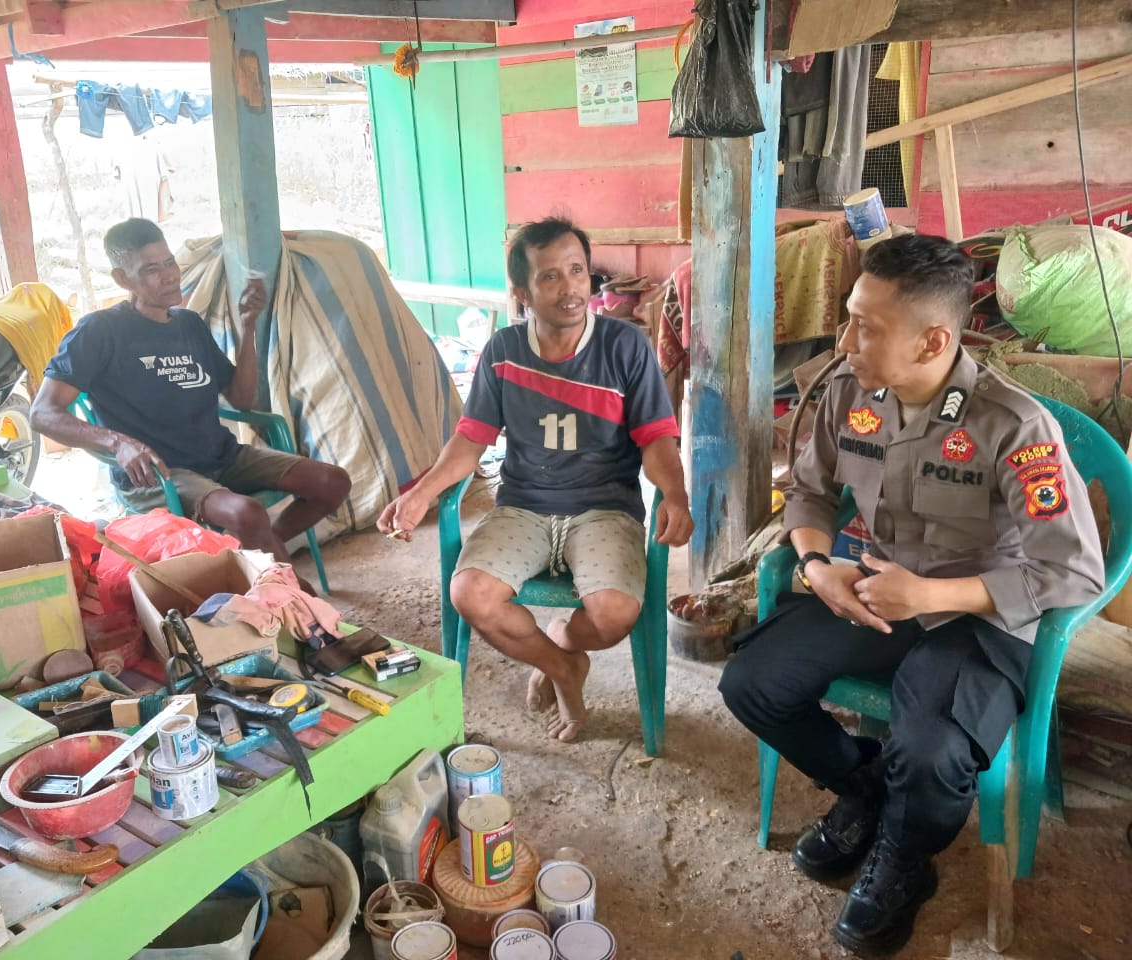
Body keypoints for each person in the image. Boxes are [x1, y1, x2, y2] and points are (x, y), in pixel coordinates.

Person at [719, 234, 1104, 956]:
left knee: (929, 751)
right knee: (752, 683)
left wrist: (931, 593)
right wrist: (817, 566)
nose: (844, 341)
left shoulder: (1013, 425)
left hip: (983, 617)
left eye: (865, 327)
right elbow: (807, 493)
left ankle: (905, 856)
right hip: (880, 589)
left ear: (932, 341)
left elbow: (1074, 572)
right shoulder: (850, 394)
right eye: (848, 318)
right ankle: (865, 790)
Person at [378, 217, 693, 743]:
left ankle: (562, 638)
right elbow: (470, 440)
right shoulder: (503, 351)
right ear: (522, 293)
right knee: (471, 594)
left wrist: (676, 495)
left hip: (605, 508)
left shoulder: (624, 347)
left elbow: (657, 438)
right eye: (550, 276)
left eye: (577, 271)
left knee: (614, 614)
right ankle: (564, 668)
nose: (570, 288)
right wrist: (420, 495)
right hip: (524, 505)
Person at [30, 218, 350, 582]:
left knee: (332, 482)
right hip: (160, 473)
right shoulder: (99, 331)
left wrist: (247, 327)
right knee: (247, 514)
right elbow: (42, 413)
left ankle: (258, 553)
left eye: (169, 262)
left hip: (221, 456)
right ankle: (296, 598)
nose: (169, 276)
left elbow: (242, 400)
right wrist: (117, 443)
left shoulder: (188, 324)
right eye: (151, 269)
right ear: (122, 279)